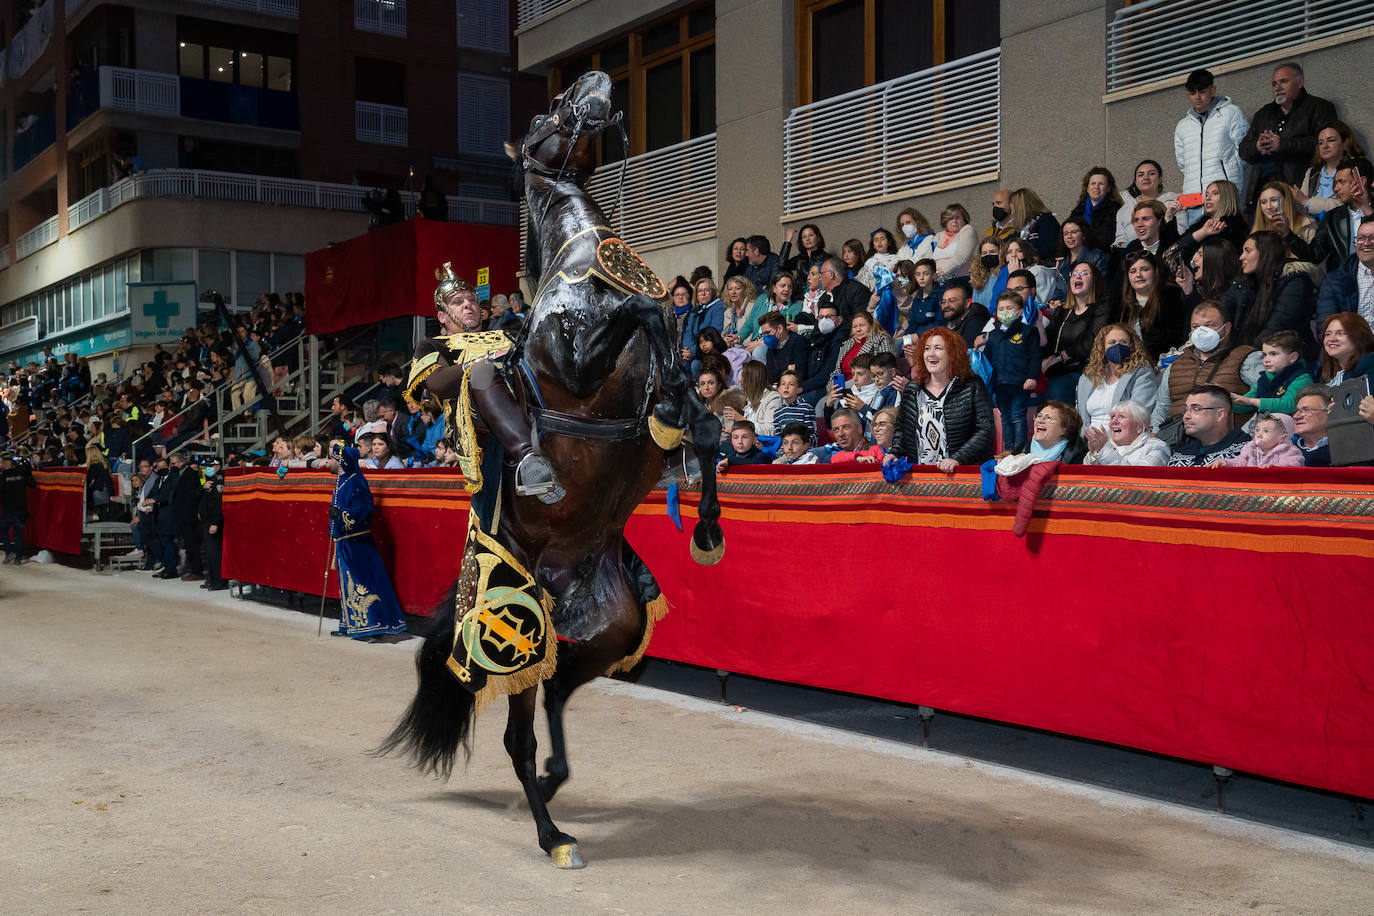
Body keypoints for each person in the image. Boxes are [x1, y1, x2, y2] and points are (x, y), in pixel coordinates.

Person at [406, 264, 562, 501]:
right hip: (479, 422)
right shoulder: (433, 345)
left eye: (472, 300)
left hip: (533, 398)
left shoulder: (510, 333)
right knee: (481, 371)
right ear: (442, 316)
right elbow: (436, 383)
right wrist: (480, 361)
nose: (468, 304)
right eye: (458, 302)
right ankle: (529, 459)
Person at [886, 326, 995, 473]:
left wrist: (958, 458)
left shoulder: (972, 385)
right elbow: (901, 428)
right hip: (920, 476)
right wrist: (895, 452)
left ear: (952, 353)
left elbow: (985, 430)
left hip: (962, 474)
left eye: (938, 348)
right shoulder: (912, 389)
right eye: (927, 348)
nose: (931, 354)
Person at [327, 444, 407, 640]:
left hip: (356, 542)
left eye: (334, 458)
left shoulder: (356, 481)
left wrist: (343, 515)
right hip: (344, 541)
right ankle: (351, 624)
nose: (331, 462)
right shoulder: (342, 480)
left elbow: (365, 509)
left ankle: (371, 626)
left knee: (361, 583)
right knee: (347, 584)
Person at [1238, 62, 1338, 208]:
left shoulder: (1319, 107)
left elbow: (1326, 146)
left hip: (1299, 193)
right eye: (1274, 84)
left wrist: (1283, 145)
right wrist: (1257, 147)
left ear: (1300, 82)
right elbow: (1243, 151)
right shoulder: (1263, 114)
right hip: (1263, 195)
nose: (1277, 88)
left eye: (1284, 81)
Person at [1153, 301, 1261, 427]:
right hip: (1176, 441)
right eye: (1195, 326)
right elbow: (1161, 407)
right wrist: (1155, 434)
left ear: (1227, 328)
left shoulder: (1247, 358)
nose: (1201, 331)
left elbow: (1268, 397)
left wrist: (1247, 436)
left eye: (1209, 325)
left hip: (1230, 442)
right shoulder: (1177, 364)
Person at [1173, 69, 1249, 227]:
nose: (1197, 97)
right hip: (1193, 201)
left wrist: (1229, 177)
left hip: (1225, 199)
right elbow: (1183, 164)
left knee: (1227, 245)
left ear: (1212, 90)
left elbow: (1245, 153)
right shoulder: (1183, 126)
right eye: (1192, 92)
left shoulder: (1231, 113)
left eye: (1202, 91)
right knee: (1198, 249)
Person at [1223, 230, 1319, 353]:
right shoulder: (1246, 280)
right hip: (1250, 352)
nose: (1241, 257)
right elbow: (1224, 309)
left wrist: (1246, 354)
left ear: (1265, 252)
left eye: (1247, 251)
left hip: (1287, 356)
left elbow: (1279, 324)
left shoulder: (1294, 280)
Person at [1044, 261, 1111, 402]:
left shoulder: (1102, 306)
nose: (1077, 277)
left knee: (1056, 390)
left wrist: (1061, 356)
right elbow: (1047, 341)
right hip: (1056, 371)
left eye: (1084, 273)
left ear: (1094, 280)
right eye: (1074, 274)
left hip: (1084, 371)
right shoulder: (1061, 312)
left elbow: (1094, 341)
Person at [1076, 323, 1158, 433]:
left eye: (1124, 342)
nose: (1118, 346)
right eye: (1112, 342)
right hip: (1089, 443)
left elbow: (1139, 412)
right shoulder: (1088, 377)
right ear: (1102, 347)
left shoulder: (1142, 371)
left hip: (1124, 440)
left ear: (1132, 346)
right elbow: (1081, 417)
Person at [985, 291, 1040, 450]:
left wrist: (1032, 377)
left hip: (1019, 382)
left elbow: (1035, 357)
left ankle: (1019, 449)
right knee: (1005, 418)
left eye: (1009, 308)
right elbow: (986, 357)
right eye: (1001, 309)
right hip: (1000, 383)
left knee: (1018, 416)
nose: (1004, 312)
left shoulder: (1028, 331)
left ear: (1020, 311)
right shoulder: (993, 334)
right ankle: (1008, 450)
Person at [1119, 250, 1187, 361]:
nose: (1138, 275)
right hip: (1128, 363)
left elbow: (1176, 338)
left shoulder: (1171, 296)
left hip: (1163, 362)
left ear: (1155, 271)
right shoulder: (1121, 303)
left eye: (1145, 269)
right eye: (1133, 271)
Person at [1232, 330, 1313, 420]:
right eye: (1264, 355)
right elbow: (1243, 404)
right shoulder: (1264, 379)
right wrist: (1226, 399)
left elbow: (1289, 405)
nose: (1266, 359)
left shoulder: (1302, 379)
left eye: (1273, 354)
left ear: (1292, 357)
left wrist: (1251, 401)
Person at [1294, 121, 1365, 218]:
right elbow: (1301, 206)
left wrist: (1307, 202)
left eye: (1331, 140)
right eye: (1320, 142)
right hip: (1312, 229)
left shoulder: (1356, 168)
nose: (1324, 146)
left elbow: (1347, 206)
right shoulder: (1312, 172)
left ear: (1346, 143)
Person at [992, 400, 1087, 472]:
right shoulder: (1022, 448)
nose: (1040, 420)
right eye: (1039, 416)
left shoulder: (1077, 452)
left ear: (1065, 428)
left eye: (1048, 418)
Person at [1168, 385, 1250, 466]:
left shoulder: (1249, 453)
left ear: (1220, 415)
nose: (1186, 416)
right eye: (1186, 410)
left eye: (1196, 409)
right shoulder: (1180, 454)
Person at [1317, 157, 1374, 271]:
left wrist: (1365, 208)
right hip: (1343, 277)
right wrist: (1288, 234)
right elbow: (1315, 254)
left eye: (1341, 182)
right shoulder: (1332, 218)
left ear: (1361, 181)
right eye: (1335, 183)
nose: (1335, 189)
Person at [1317, 221, 1374, 325]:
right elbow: (1325, 325)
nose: (1366, 243)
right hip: (1352, 339)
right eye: (1361, 238)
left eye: (1372, 237)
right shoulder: (1336, 279)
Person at [1176, 179, 1249, 262]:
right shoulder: (1200, 224)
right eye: (1206, 194)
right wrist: (1169, 218)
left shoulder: (1237, 228)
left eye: (1215, 193)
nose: (1208, 198)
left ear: (1228, 197)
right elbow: (1175, 250)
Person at [1115, 159, 1183, 247]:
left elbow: (1181, 233)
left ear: (1160, 179)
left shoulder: (1174, 202)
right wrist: (1135, 248)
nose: (1146, 177)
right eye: (1141, 175)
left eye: (1151, 173)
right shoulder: (1124, 210)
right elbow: (1119, 242)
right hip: (1133, 256)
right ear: (1136, 181)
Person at [1084, 400, 1171, 466]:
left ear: (1139, 427)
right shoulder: (1105, 447)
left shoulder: (1157, 448)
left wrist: (1104, 452)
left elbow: (1136, 476)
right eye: (1112, 417)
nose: (1114, 421)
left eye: (1122, 417)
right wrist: (1093, 454)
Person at [1251, 182, 1319, 262]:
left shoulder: (1307, 224)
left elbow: (1314, 261)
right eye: (1263, 202)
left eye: (1274, 200)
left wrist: (1288, 234)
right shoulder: (1257, 231)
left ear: (1287, 200)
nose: (1268, 207)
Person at [1209, 412, 1304, 468]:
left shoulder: (1289, 452)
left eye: (1266, 431)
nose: (1259, 434)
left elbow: (1293, 467)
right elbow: (1238, 462)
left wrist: (1276, 469)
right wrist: (1226, 463)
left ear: (1283, 436)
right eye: (1257, 430)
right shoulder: (1250, 449)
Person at [1175, 236, 1240, 311]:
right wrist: (1188, 288)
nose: (1194, 259)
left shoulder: (1229, 298)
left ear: (1214, 261)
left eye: (1201, 255)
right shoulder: (1200, 289)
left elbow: (1204, 317)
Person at [1067, 167, 1122, 253]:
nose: (1096, 187)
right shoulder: (1078, 211)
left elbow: (1107, 239)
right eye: (1093, 183)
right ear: (1087, 188)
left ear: (1108, 188)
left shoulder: (1115, 210)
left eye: (1101, 184)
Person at [801, 303, 847, 404]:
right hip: (813, 385)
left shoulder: (842, 340)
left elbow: (828, 373)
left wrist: (801, 387)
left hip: (829, 386)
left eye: (829, 317)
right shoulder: (817, 338)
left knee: (800, 401)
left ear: (839, 320)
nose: (824, 320)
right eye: (821, 317)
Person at [1313, 312, 1374, 385]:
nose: (1331, 339)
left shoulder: (1369, 363)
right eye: (1328, 334)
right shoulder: (1323, 371)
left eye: (1340, 333)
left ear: (1359, 337)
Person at [680, 277, 724, 372]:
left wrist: (693, 352)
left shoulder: (718, 307)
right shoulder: (694, 310)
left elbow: (714, 332)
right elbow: (688, 333)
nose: (703, 294)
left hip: (710, 349)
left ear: (712, 292)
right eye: (699, 291)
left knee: (695, 365)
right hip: (695, 351)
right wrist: (687, 350)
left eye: (706, 290)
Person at [833, 310, 892, 380]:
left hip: (868, 385)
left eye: (862, 325)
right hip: (842, 387)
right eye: (855, 326)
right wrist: (833, 388)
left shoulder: (881, 339)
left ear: (871, 326)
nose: (858, 329)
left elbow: (886, 368)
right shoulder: (846, 345)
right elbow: (836, 371)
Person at [1, 454, 37, 563]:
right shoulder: (22, 473)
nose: (1, 464)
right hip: (20, 509)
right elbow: (33, 485)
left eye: (3, 462)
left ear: (8, 464)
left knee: (3, 531)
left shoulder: (3, 477)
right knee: (18, 535)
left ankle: (9, 552)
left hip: (8, 509)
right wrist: (28, 472)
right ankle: (17, 558)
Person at [1009, 187, 1060, 264]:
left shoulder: (1046, 220)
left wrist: (1029, 257)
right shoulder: (1020, 227)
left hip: (1044, 266)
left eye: (1013, 209)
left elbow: (1049, 248)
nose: (1012, 213)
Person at [198, 459, 228, 591]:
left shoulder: (219, 480)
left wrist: (215, 523)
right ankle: (212, 579)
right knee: (210, 553)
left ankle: (219, 581)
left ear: (218, 466)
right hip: (207, 520)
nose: (207, 468)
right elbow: (202, 498)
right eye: (206, 466)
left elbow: (219, 505)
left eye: (210, 465)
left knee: (215, 553)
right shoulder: (209, 479)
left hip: (214, 521)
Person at [758, 311, 809, 385]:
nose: (765, 337)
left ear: (780, 328)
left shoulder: (798, 342)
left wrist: (780, 373)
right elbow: (770, 376)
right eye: (763, 334)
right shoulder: (772, 346)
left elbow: (799, 374)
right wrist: (787, 369)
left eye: (767, 333)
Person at [807, 408, 871, 464]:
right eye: (836, 430)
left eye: (846, 427)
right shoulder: (825, 454)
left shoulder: (874, 451)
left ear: (859, 428)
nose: (841, 434)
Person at [736, 361, 782, 437]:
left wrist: (742, 420)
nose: (740, 379)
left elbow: (770, 431)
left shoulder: (773, 398)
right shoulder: (749, 398)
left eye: (743, 376)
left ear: (753, 379)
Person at [932, 203, 977, 280]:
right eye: (950, 218)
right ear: (945, 221)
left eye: (958, 217)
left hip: (960, 280)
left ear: (964, 219)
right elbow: (929, 257)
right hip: (936, 279)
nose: (954, 221)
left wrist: (941, 273)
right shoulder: (938, 236)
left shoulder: (967, 230)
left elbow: (960, 257)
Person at [1291, 385, 1332, 466]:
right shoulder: (1284, 450)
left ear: (1329, 413)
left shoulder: (1345, 451)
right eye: (1297, 411)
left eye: (1306, 410)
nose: (1296, 416)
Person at [942, 283, 991, 349]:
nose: (946, 305)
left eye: (952, 301)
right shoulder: (949, 320)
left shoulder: (975, 321)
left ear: (967, 303)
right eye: (943, 302)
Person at [772, 371, 816, 443]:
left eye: (791, 384)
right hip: (785, 452)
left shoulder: (806, 408)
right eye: (783, 384)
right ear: (779, 389)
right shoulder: (778, 412)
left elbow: (812, 436)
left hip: (803, 451)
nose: (786, 387)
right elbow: (777, 438)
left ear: (799, 390)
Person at [970, 238, 1007, 311]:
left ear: (1000, 253)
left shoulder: (1005, 274)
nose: (988, 255)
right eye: (984, 253)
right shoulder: (979, 277)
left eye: (992, 252)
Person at [84, 443, 114, 522]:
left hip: (98, 491)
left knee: (99, 515)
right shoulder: (103, 465)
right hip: (105, 490)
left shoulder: (93, 466)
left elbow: (92, 481)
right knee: (104, 514)